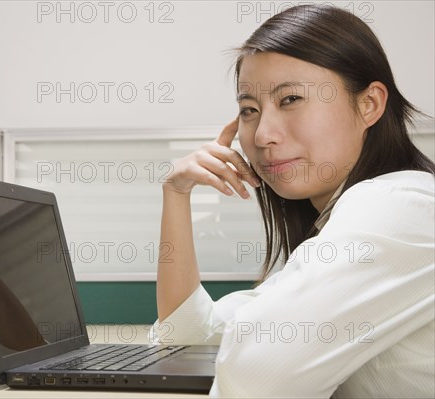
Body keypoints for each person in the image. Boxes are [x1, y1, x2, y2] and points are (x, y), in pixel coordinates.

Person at [153, 4, 434, 398]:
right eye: (250, 110)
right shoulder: (336, 227)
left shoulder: (398, 206)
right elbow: (189, 339)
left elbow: (258, 378)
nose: (264, 133)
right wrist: (176, 194)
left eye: (290, 100)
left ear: (369, 104)